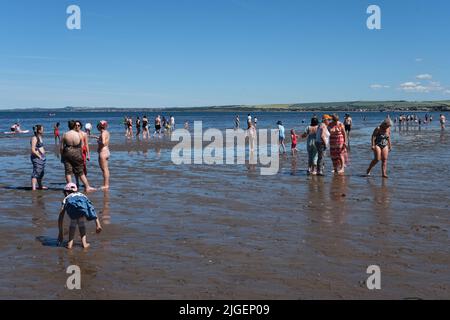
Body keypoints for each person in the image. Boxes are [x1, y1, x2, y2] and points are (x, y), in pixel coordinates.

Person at [57, 183, 102, 249]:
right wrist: (98, 224)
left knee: (73, 223)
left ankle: (70, 244)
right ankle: (84, 244)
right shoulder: (83, 196)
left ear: (66, 192)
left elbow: (61, 216)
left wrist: (60, 233)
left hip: (72, 210)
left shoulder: (67, 198)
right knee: (81, 223)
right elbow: (92, 209)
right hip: (82, 208)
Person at [61, 120, 95, 192]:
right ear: (74, 126)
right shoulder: (79, 134)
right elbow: (82, 145)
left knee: (68, 171)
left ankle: (70, 187)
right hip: (77, 153)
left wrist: (62, 156)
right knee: (80, 171)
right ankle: (87, 187)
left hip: (67, 152)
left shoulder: (65, 134)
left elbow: (61, 147)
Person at [30, 125, 47, 190]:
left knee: (41, 172)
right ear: (39, 130)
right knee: (36, 172)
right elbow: (33, 150)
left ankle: (40, 186)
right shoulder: (34, 138)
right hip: (36, 157)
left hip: (42, 157)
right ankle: (33, 188)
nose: (43, 130)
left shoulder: (39, 137)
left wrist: (42, 155)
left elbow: (39, 147)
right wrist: (39, 156)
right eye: (42, 129)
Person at [97, 121, 110, 190]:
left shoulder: (103, 133)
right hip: (107, 151)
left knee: (104, 169)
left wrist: (98, 141)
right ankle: (106, 184)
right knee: (106, 169)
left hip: (103, 152)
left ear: (99, 126)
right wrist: (98, 138)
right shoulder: (106, 132)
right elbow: (104, 139)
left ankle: (106, 185)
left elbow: (103, 142)